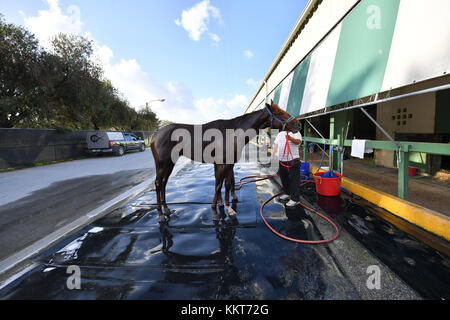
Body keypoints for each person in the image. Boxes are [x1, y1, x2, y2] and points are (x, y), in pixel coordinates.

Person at [271, 129, 302, 207]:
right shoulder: (280, 134)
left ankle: (295, 199)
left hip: (293, 161)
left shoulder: (296, 132)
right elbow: (276, 145)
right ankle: (287, 193)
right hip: (282, 161)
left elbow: (298, 142)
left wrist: (290, 138)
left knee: (294, 180)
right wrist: (272, 155)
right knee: (284, 179)